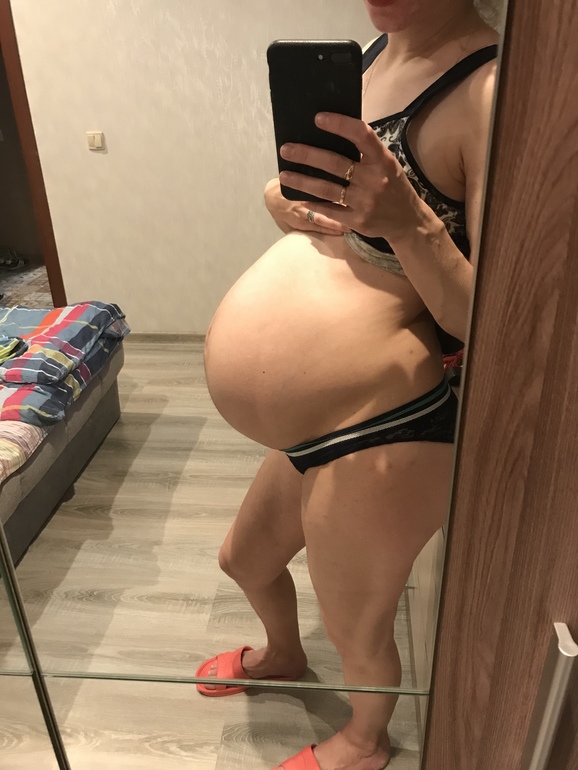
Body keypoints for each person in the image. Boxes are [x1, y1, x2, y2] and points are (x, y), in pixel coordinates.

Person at [199, 1, 500, 768]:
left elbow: (489, 323)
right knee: (244, 561)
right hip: (313, 417)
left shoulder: (492, 91)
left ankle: (366, 742)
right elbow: (336, 223)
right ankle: (282, 655)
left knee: (356, 626)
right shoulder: (372, 53)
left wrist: (410, 222)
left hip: (384, 420)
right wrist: (284, 198)